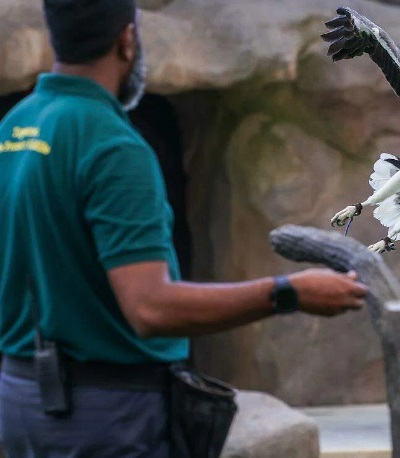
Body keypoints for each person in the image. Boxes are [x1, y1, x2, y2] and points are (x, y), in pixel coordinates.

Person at [0, 1, 367, 457]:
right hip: (107, 419)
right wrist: (287, 292)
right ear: (127, 39)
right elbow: (149, 308)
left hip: (20, 403)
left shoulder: (14, 127)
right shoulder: (112, 146)